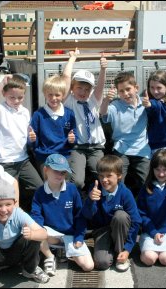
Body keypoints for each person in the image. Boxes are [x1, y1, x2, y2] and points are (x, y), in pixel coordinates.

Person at [31, 154, 94, 276]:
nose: (59, 175)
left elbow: (80, 216)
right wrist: (38, 230)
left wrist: (79, 236)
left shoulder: (72, 189)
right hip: (50, 235)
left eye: (63, 172)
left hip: (70, 234)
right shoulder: (39, 193)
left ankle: (63, 251)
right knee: (35, 230)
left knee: (88, 266)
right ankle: (50, 256)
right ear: (46, 170)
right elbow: (36, 216)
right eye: (56, 171)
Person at [0, 74, 43, 211]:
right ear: (4, 94)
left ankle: (27, 213)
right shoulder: (0, 109)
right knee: (8, 195)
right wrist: (2, 83)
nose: (16, 100)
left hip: (23, 160)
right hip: (5, 162)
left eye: (20, 97)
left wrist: (32, 136)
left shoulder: (25, 112)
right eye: (12, 97)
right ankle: (11, 220)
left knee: (38, 186)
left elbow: (26, 133)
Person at [80, 155, 142, 272]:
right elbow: (87, 215)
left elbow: (136, 221)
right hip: (102, 230)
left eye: (109, 176)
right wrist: (90, 200)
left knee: (121, 216)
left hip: (120, 228)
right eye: (101, 176)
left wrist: (127, 249)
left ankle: (121, 253)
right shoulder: (94, 189)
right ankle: (109, 248)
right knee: (101, 263)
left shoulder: (125, 193)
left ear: (119, 176)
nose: (104, 180)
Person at [62, 50, 107, 191]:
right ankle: (77, 200)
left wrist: (103, 69)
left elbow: (100, 86)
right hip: (78, 147)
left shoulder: (93, 101)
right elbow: (65, 77)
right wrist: (72, 59)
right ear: (72, 88)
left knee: (102, 176)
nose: (83, 92)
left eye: (87, 89)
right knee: (77, 181)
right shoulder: (69, 101)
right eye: (79, 88)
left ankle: (98, 202)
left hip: (95, 147)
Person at [100, 71, 151, 197]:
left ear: (136, 88)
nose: (126, 94)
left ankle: (143, 208)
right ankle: (118, 207)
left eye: (128, 89)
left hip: (142, 150)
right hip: (121, 149)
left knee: (147, 183)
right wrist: (106, 100)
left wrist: (150, 106)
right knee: (117, 182)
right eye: (121, 91)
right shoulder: (115, 106)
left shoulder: (144, 104)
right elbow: (103, 112)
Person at [29, 74, 77, 170]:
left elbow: (74, 137)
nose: (53, 98)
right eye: (50, 94)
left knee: (63, 180)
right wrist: (33, 139)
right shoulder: (38, 115)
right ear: (45, 94)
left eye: (57, 95)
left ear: (63, 95)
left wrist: (72, 140)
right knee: (50, 180)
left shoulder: (69, 114)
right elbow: (33, 142)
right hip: (44, 156)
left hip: (63, 154)